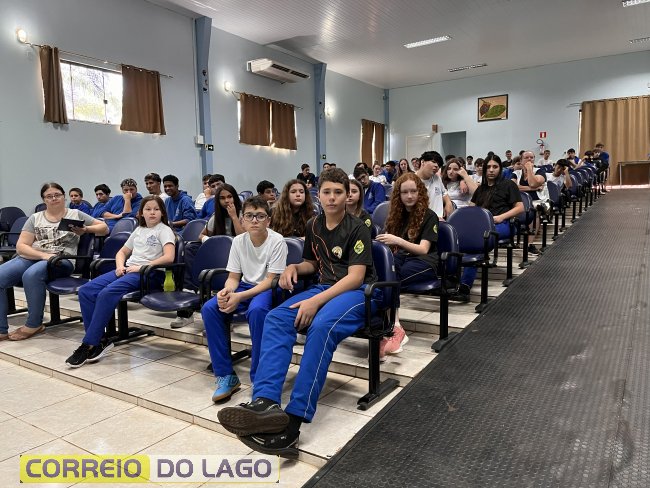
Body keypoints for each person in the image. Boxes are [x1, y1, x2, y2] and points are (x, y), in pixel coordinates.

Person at [217, 168, 378, 456]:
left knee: (321, 327)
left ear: (347, 196)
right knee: (277, 317)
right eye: (326, 192)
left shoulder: (358, 227)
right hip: (325, 287)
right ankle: (265, 401)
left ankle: (293, 421)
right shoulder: (313, 225)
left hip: (358, 293)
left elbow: (355, 277)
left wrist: (315, 302)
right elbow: (312, 264)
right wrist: (293, 267)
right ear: (319, 195)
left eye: (338, 192)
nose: (332, 197)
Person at [65, 195, 175, 367]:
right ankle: (100, 339)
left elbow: (169, 257)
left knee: (106, 293)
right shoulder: (139, 230)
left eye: (156, 209)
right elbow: (121, 252)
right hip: (128, 270)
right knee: (86, 290)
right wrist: (119, 266)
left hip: (149, 274)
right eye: (148, 209)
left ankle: (89, 344)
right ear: (141, 213)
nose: (152, 212)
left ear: (162, 212)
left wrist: (142, 267)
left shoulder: (164, 230)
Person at [202, 197, 288, 402]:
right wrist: (226, 292)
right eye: (249, 216)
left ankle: (260, 379)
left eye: (260, 216)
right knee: (210, 308)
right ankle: (226, 376)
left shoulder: (277, 241)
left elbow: (270, 280)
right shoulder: (238, 241)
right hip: (244, 286)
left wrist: (239, 296)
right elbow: (233, 278)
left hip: (268, 288)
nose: (254, 220)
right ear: (242, 220)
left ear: (268, 220)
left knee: (257, 311)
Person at [0, 183, 108, 341]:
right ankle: (1, 330)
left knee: (31, 275)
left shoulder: (75, 214)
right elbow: (21, 246)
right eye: (49, 196)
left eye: (57, 195)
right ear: (44, 200)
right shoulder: (35, 218)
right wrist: (43, 256)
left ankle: (34, 324)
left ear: (64, 197)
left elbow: (104, 228)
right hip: (36, 256)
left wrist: (85, 229)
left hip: (61, 260)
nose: (54, 198)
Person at [376, 173, 439, 360]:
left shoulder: (429, 216)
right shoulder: (396, 216)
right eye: (405, 192)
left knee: (391, 278)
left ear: (420, 192)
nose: (409, 196)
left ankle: (393, 327)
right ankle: (389, 326)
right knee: (385, 272)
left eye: (413, 191)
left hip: (425, 262)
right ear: (399, 195)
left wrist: (397, 240)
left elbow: (423, 249)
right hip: (403, 259)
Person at [457, 155, 524, 301]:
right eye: (488, 167)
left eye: (495, 167)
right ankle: (452, 279)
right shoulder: (481, 189)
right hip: (482, 226)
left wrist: (501, 217)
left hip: (503, 224)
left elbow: (520, 208)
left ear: (500, 169)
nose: (491, 170)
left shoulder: (508, 185)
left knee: (478, 241)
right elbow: (472, 208)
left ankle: (465, 286)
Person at [513, 151, 547, 254]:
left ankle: (529, 244)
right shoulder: (516, 173)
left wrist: (529, 170)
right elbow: (514, 187)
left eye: (531, 157)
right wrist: (534, 188)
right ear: (521, 160)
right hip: (520, 201)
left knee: (534, 211)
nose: (529, 159)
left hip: (537, 201)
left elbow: (532, 182)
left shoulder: (540, 171)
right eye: (526, 157)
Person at [415, 151, 453, 219]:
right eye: (433, 162)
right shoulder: (412, 181)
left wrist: (448, 203)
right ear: (422, 162)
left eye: (438, 165)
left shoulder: (437, 178)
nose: (436, 166)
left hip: (440, 220)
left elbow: (444, 193)